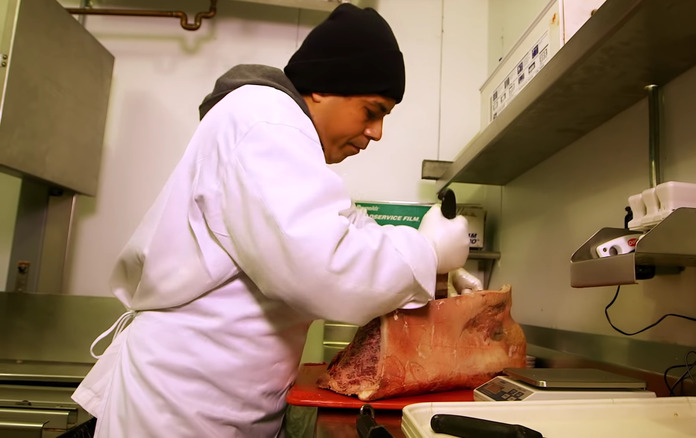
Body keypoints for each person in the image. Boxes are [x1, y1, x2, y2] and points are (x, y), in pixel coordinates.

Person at [72, 4, 474, 437]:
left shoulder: (279, 133)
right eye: (371, 111)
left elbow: (347, 226)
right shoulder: (264, 119)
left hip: (217, 404)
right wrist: (428, 251)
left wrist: (431, 254)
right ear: (324, 87)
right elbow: (323, 268)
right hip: (182, 409)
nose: (376, 133)